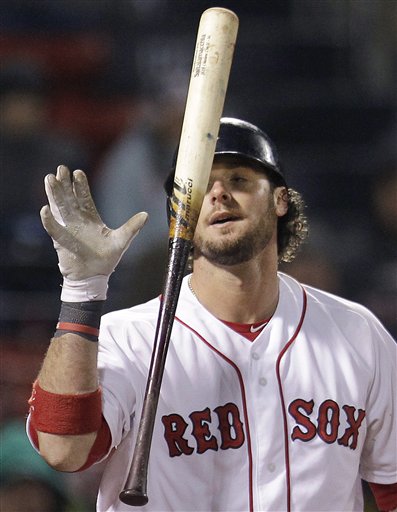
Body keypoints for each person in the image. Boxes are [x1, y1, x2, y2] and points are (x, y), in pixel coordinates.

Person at [26, 118, 396, 512]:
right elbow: (63, 449)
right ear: (179, 215)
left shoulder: (357, 333)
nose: (218, 194)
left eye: (238, 179)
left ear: (280, 199)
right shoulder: (129, 339)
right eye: (200, 187)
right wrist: (83, 290)